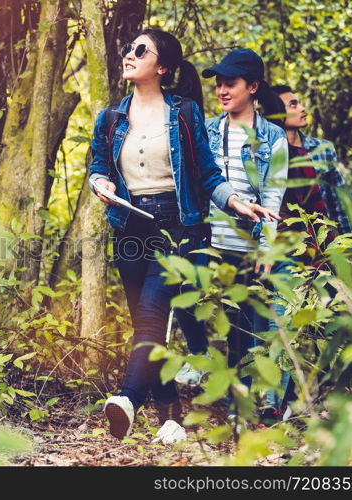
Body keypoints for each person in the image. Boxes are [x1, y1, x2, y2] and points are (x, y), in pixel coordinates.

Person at [88, 31, 278, 443]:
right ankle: (170, 416)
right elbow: (98, 164)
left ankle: (128, 397)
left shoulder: (185, 112)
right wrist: (100, 183)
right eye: (128, 49)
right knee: (144, 323)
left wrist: (235, 203)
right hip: (128, 226)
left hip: (177, 227)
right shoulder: (110, 117)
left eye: (141, 50)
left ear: (163, 67)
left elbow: (207, 173)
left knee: (154, 317)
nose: (129, 55)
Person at [173, 48, 289, 423]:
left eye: (231, 84)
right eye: (219, 84)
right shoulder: (206, 130)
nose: (222, 91)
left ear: (252, 87)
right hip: (208, 240)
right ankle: (199, 352)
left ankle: (241, 412)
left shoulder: (273, 138)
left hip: (247, 248)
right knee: (180, 286)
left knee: (242, 331)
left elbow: (272, 198)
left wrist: (266, 251)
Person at [260, 84, 352, 423]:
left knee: (335, 325)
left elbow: (338, 202)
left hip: (326, 248)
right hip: (287, 249)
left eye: (300, 102)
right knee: (283, 321)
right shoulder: (268, 148)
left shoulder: (321, 149)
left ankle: (312, 398)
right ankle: (277, 405)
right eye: (293, 103)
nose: (301, 108)